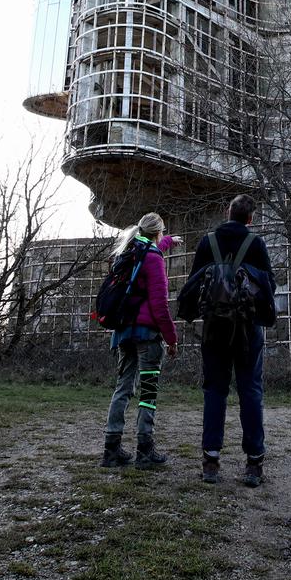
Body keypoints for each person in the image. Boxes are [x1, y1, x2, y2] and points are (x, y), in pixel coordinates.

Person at [187, 193, 274, 487]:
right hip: (248, 330)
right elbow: (269, 286)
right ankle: (253, 465)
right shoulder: (257, 244)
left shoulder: (207, 242)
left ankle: (211, 461)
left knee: (215, 391)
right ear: (250, 218)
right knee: (250, 391)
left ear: (228, 213)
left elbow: (192, 284)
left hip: (213, 329)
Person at [102, 212, 179, 469]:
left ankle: (111, 449)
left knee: (122, 388)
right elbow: (159, 304)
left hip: (123, 331)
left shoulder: (128, 252)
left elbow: (152, 248)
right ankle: (145, 451)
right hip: (147, 334)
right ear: (157, 232)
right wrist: (171, 338)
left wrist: (169, 241)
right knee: (148, 392)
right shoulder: (153, 258)